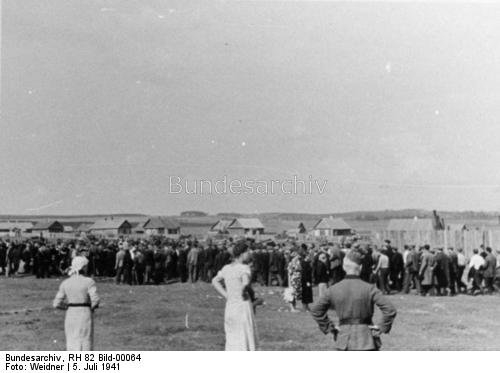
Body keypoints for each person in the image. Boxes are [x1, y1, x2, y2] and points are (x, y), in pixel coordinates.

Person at [310, 249, 397, 351]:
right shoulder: (370, 288)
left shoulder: (334, 289)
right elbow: (390, 310)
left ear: (343, 267)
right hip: (367, 338)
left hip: (343, 338)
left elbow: (316, 310)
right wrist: (381, 327)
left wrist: (329, 327)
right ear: (360, 267)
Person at [212, 241, 258, 351]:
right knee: (245, 333)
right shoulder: (244, 268)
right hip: (242, 305)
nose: (249, 254)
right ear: (242, 253)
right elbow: (245, 281)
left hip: (231, 305)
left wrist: (226, 295)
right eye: (248, 252)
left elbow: (214, 281)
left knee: (232, 334)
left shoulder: (227, 268)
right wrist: (244, 288)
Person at [53, 256, 100, 351]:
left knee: (71, 339)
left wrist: (67, 307)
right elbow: (95, 300)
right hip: (84, 312)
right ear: (83, 267)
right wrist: (91, 308)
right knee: (85, 340)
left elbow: (56, 303)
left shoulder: (65, 283)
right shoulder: (89, 282)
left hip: (70, 313)